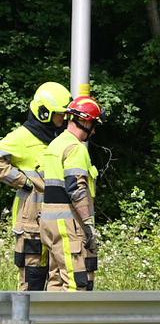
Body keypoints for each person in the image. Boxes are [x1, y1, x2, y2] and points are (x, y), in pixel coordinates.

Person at [0, 82, 70, 290]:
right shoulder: (21, 137)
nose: (63, 119)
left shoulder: (59, 138)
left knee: (57, 278)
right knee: (33, 279)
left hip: (55, 221)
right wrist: (23, 182)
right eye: (59, 114)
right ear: (44, 113)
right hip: (31, 224)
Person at [39, 95, 102, 292]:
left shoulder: (55, 145)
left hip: (49, 223)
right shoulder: (75, 148)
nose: (94, 130)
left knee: (56, 279)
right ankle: (74, 322)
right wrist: (89, 225)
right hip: (68, 223)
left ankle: (52, 323)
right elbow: (77, 188)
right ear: (83, 121)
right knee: (77, 281)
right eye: (93, 123)